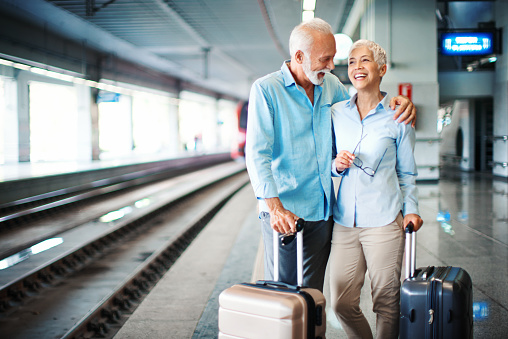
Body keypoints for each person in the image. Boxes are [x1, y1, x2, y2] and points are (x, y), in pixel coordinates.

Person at [245, 18, 416, 292]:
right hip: (286, 213)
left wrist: (397, 101)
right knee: (284, 294)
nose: (331, 65)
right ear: (299, 56)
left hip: (324, 212)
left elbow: (361, 110)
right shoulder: (267, 90)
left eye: (333, 58)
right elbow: (257, 154)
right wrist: (274, 208)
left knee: (313, 295)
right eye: (325, 59)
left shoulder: (331, 85)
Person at [329, 39, 424, 338]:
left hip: (384, 221)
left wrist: (412, 211)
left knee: (386, 302)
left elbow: (407, 172)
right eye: (353, 61)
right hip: (344, 221)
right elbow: (328, 162)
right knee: (341, 302)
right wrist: (337, 165)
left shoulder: (398, 116)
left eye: (365, 61)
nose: (357, 67)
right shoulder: (335, 113)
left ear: (381, 69)